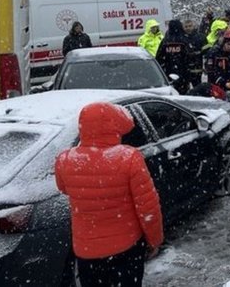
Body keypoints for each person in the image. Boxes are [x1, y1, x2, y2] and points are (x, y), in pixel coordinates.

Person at [55, 102, 163, 287]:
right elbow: (148, 207)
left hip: (86, 250)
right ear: (114, 127)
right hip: (126, 248)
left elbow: (64, 188)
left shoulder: (65, 160)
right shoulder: (129, 158)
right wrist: (155, 240)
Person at [155, 19, 191, 94]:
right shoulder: (184, 40)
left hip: (168, 71)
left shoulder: (165, 41)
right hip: (183, 72)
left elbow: (159, 57)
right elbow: (189, 56)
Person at [182, 19, 206, 89]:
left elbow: (206, 49)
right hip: (185, 69)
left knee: (198, 88)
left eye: (190, 26)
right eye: (186, 26)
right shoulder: (181, 37)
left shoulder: (201, 37)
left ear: (193, 26)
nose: (188, 28)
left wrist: (198, 53)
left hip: (197, 67)